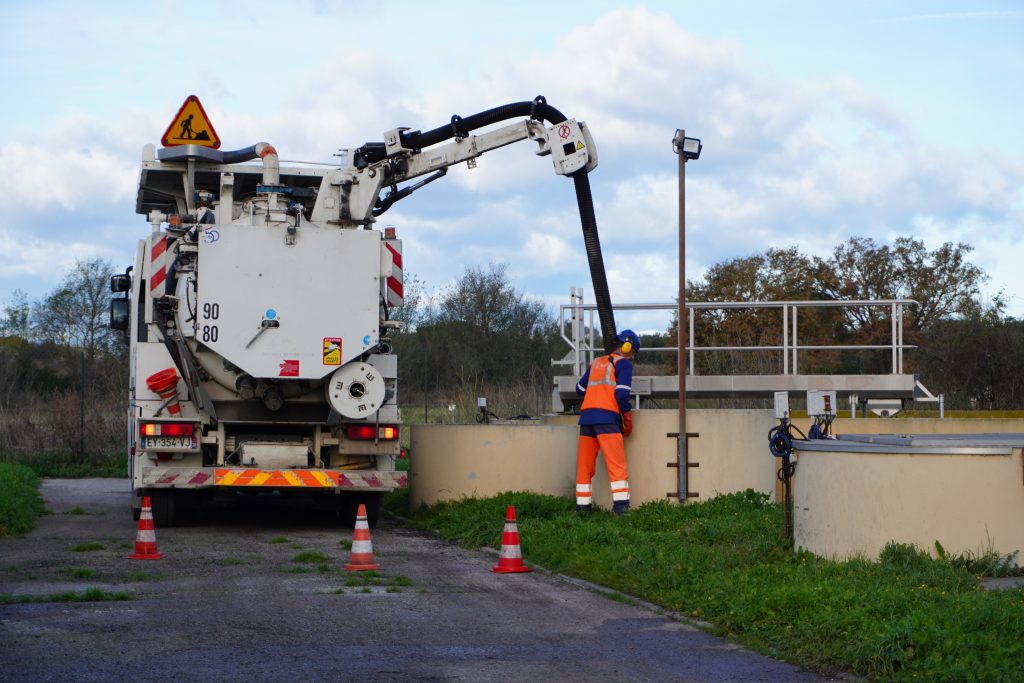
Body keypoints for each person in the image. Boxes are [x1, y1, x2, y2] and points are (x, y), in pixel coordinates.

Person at [574, 329, 639, 515]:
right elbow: (621, 393)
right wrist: (626, 416)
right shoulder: (624, 364)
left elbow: (579, 389)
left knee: (584, 467)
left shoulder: (596, 362)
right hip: (607, 419)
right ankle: (621, 508)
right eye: (633, 352)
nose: (632, 357)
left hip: (586, 419)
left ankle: (583, 508)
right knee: (616, 464)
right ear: (627, 348)